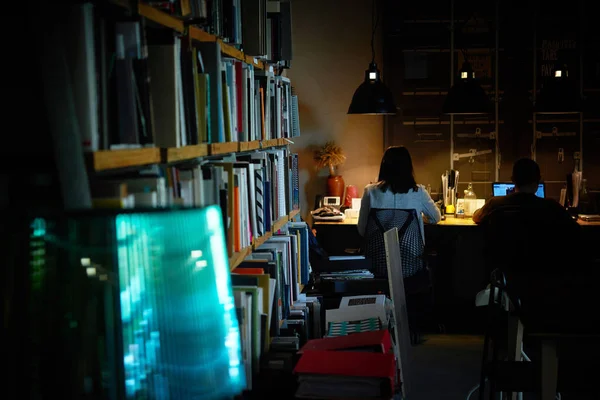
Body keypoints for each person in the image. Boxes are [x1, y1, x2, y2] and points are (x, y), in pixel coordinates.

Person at [357, 146, 441, 240]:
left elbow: (362, 230)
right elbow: (435, 218)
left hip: (379, 252)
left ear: (384, 166)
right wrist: (418, 218)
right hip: (411, 252)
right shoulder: (419, 192)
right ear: (408, 167)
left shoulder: (370, 191)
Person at [472, 158, 576, 227]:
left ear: (513, 179)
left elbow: (476, 217)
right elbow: (575, 229)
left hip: (502, 259)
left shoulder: (494, 204)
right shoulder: (551, 206)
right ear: (538, 179)